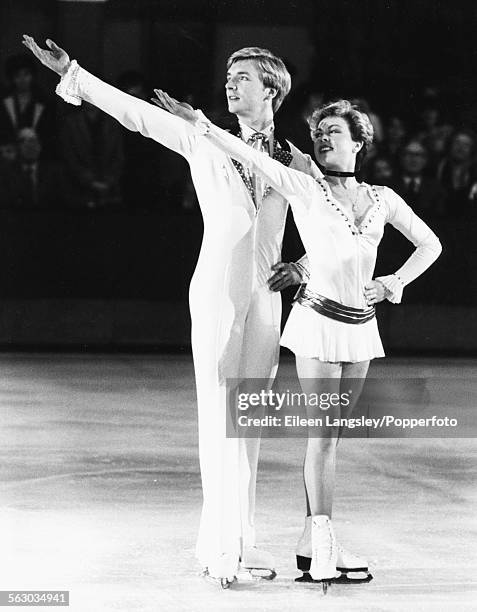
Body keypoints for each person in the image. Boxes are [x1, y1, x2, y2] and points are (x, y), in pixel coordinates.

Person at [21, 35, 320, 587]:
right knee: (218, 415)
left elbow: (331, 222)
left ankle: (242, 543)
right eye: (229, 77)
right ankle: (219, 549)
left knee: (248, 418)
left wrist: (301, 265)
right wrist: (75, 75)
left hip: (265, 294)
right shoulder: (205, 138)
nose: (231, 84)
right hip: (216, 289)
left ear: (273, 88)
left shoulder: (294, 159)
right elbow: (135, 116)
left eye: (244, 78)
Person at [151, 92, 442, 589]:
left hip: (362, 328)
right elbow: (249, 155)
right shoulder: (305, 188)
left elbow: (430, 244)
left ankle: (313, 541)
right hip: (317, 324)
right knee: (323, 439)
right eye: (319, 132)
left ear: (359, 141)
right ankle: (322, 546)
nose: (323, 138)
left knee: (333, 439)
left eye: (334, 132)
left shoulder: (383, 199)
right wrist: (200, 123)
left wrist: (394, 282)